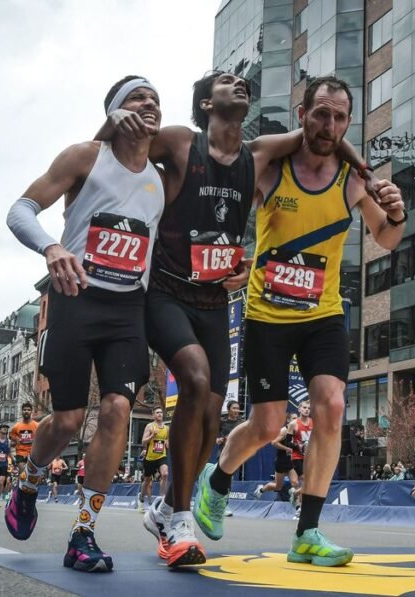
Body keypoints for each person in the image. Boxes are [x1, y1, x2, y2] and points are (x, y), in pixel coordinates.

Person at [101, 71, 366, 568]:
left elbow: (320, 133)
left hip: (214, 300)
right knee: (198, 383)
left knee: (209, 413)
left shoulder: (258, 152)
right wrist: (112, 124)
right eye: (226, 81)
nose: (239, 83)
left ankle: (176, 504)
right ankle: (180, 520)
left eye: (242, 82)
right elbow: (119, 153)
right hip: (164, 290)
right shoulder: (182, 141)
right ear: (205, 104)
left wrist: (359, 162)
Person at [191, 76, 406, 567]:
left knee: (331, 404)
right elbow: (233, 199)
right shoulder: (271, 167)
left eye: (339, 117)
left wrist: (396, 212)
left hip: (324, 314)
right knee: (267, 424)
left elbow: (387, 238)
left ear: (349, 122)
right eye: (320, 114)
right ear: (302, 113)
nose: (329, 125)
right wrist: (229, 261)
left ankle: (308, 532)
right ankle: (217, 479)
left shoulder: (354, 181)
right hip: (267, 313)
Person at [3, 75, 165, 573]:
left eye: (156, 99)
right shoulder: (85, 157)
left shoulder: (161, 177)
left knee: (118, 408)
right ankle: (28, 482)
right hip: (76, 298)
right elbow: (20, 209)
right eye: (138, 97)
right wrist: (51, 248)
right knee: (70, 419)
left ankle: (83, 534)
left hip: (127, 310)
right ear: (115, 112)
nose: (149, 105)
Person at [253, 412, 299, 501]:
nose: (296, 420)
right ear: (288, 420)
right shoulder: (284, 430)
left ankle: (298, 507)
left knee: (295, 483)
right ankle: (261, 489)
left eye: (297, 418)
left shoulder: (297, 430)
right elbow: (274, 442)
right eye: (293, 418)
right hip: (281, 460)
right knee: (278, 486)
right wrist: (287, 448)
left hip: (291, 461)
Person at [139, 407, 169, 514]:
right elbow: (143, 442)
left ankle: (161, 500)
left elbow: (167, 440)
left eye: (161, 412)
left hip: (161, 456)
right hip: (150, 457)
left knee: (165, 474)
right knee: (147, 481)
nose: (160, 414)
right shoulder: (150, 426)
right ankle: (141, 498)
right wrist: (152, 435)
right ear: (153, 415)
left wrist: (167, 443)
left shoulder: (166, 428)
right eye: (157, 412)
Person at [287, 400, 314, 515]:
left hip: (311, 456)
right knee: (305, 481)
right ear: (299, 409)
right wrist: (298, 446)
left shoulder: (314, 423)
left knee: (310, 483)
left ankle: (295, 493)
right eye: (304, 407)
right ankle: (301, 509)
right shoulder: (293, 424)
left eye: (308, 408)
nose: (307, 410)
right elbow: (287, 442)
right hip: (297, 457)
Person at [10, 403, 39, 477]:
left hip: (33, 453)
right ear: (22, 411)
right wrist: (16, 441)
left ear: (31, 412)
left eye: (28, 410)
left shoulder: (37, 425)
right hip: (21, 453)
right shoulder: (16, 427)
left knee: (33, 476)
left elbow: (41, 439)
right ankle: (21, 487)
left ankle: (31, 488)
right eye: (24, 410)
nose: (26, 411)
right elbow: (11, 440)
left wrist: (36, 441)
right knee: (23, 474)